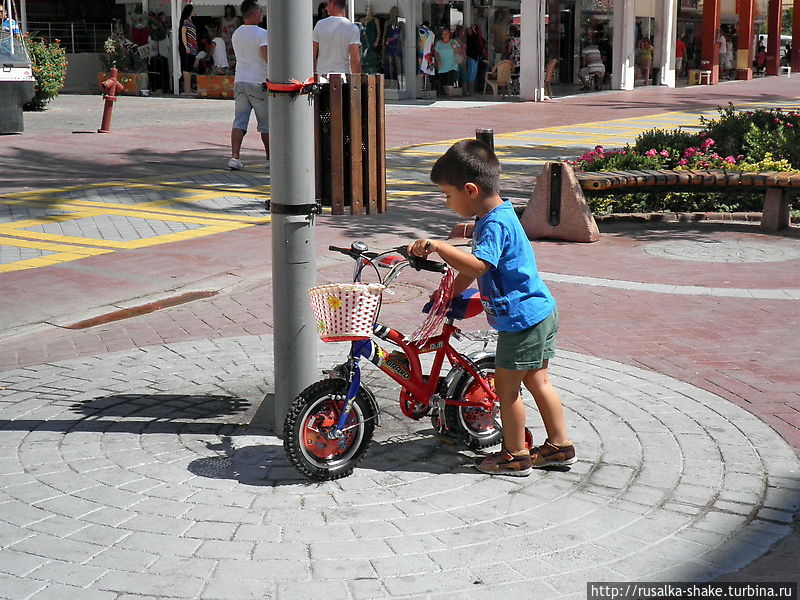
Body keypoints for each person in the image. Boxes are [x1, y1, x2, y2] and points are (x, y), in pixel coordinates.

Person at [407, 140, 576, 477]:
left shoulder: (494, 224)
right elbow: (471, 269)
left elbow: (479, 265)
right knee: (539, 381)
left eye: (447, 194)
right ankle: (559, 446)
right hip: (539, 311)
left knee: (507, 388)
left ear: (470, 190)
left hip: (521, 320)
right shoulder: (495, 217)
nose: (445, 201)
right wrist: (448, 297)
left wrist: (439, 246)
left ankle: (515, 455)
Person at [228, 0, 269, 170]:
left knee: (239, 121)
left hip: (240, 80)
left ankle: (235, 157)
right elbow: (267, 57)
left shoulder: (236, 33)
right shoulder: (262, 33)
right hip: (258, 81)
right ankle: (270, 158)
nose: (262, 13)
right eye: (260, 10)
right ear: (253, 13)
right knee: (266, 124)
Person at [313, 0, 361, 77]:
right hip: (343, 77)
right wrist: (357, 83)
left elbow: (313, 54)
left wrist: (314, 76)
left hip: (322, 76)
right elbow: (355, 59)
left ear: (333, 4)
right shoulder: (352, 28)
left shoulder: (320, 25)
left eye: (326, 4)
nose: (326, 8)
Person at [434, 27, 459, 97]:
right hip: (442, 66)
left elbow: (459, 51)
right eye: (443, 33)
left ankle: (450, 94)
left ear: (449, 34)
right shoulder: (438, 43)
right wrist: (437, 59)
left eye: (446, 33)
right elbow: (435, 52)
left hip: (452, 65)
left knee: (450, 81)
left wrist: (454, 46)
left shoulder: (453, 42)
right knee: (444, 83)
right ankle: (449, 94)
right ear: (441, 35)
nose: (445, 35)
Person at [179, 4, 198, 94]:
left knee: (189, 68)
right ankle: (187, 89)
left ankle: (188, 88)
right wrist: (186, 47)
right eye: (193, 10)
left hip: (192, 48)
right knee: (186, 68)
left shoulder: (190, 21)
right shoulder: (185, 22)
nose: (195, 12)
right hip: (188, 48)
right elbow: (183, 34)